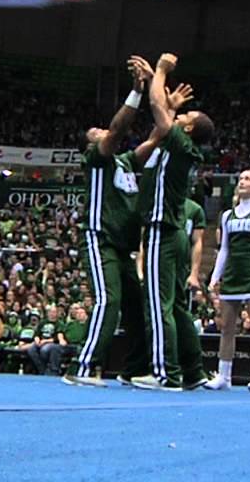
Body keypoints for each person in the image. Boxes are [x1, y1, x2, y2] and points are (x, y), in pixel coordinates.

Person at [64, 57, 164, 387]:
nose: (104, 130)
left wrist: (163, 98)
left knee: (136, 308)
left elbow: (158, 137)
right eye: (97, 132)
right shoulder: (96, 159)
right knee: (109, 299)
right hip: (99, 238)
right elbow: (119, 128)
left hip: (123, 248)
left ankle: (133, 369)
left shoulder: (123, 161)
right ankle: (83, 367)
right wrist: (136, 90)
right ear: (91, 143)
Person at [131, 52, 213, 391]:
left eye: (186, 115)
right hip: (172, 231)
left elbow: (159, 114)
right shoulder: (176, 145)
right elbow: (159, 123)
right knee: (177, 307)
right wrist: (166, 97)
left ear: (189, 127)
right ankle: (193, 372)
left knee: (158, 304)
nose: (179, 114)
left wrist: (160, 73)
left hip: (161, 229)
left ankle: (166, 372)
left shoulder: (181, 145)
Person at [202, 170, 250, 393]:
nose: (243, 182)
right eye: (241, 178)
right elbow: (224, 248)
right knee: (226, 328)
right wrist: (215, 276)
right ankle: (224, 375)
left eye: (249, 179)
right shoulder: (227, 216)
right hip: (232, 274)